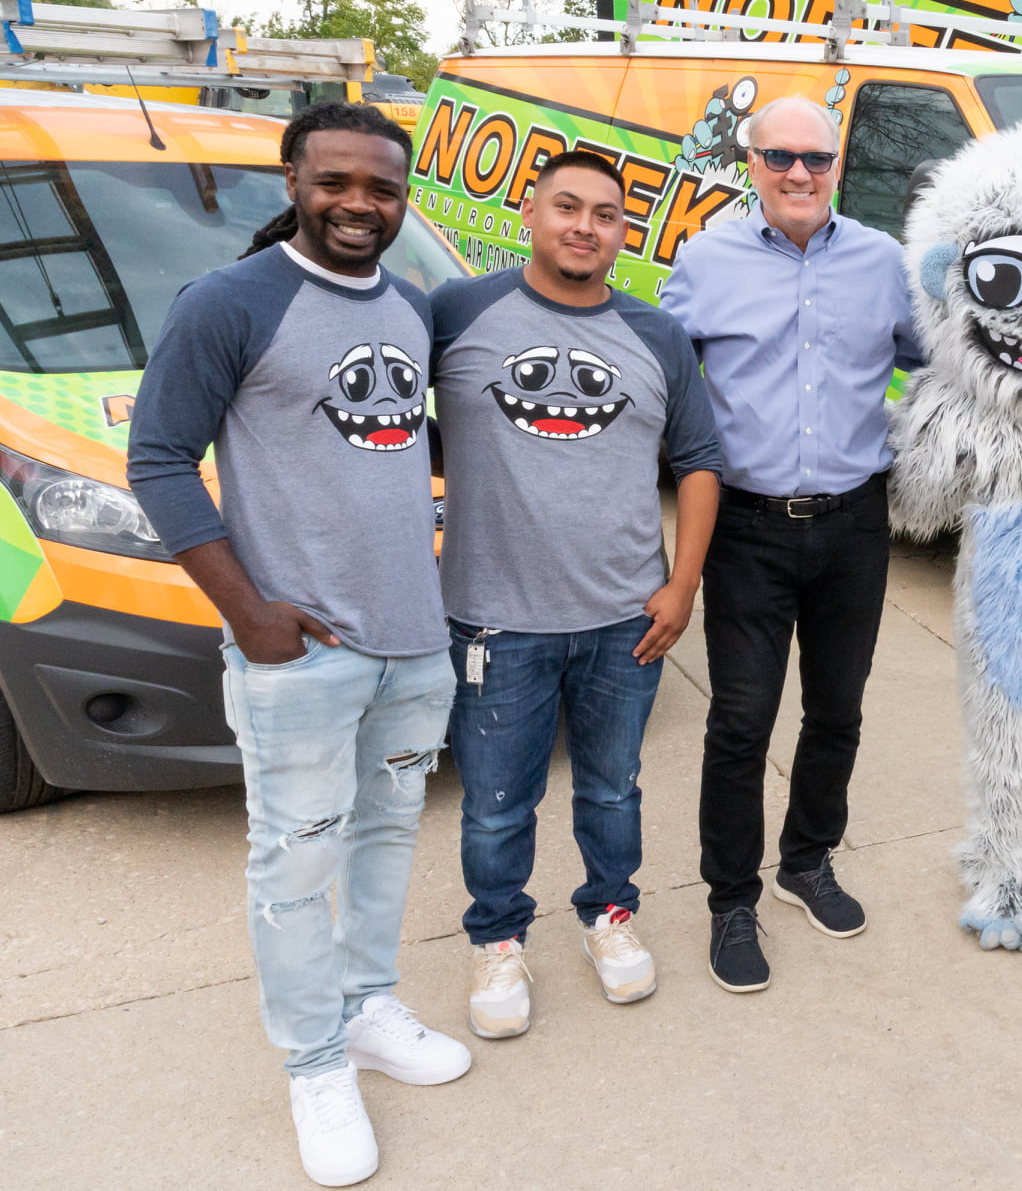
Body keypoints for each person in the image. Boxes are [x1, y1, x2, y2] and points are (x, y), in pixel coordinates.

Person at [128, 103, 469, 1188]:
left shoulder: (413, 310)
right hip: (301, 650)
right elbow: (159, 463)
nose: (361, 204)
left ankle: (367, 1005)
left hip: (413, 640)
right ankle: (314, 1061)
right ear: (290, 180)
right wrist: (250, 612)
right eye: (337, 183)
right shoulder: (231, 301)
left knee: (385, 835)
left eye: (381, 186)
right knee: (294, 855)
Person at [430, 151, 723, 1038]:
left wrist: (680, 587)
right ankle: (498, 939)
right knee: (493, 802)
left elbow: (702, 461)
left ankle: (609, 915)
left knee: (611, 790)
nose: (584, 226)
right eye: (566, 206)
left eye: (605, 213)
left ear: (624, 232)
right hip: (494, 617)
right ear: (530, 210)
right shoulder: (456, 312)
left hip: (623, 620)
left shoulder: (656, 335)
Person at [658, 96, 921, 992]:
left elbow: (948, 354)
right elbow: (657, 369)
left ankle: (806, 861)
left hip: (853, 523)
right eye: (780, 158)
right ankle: (731, 901)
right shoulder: (707, 258)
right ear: (751, 162)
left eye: (815, 158)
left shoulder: (884, 262)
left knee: (837, 712)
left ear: (837, 164)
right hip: (745, 529)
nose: (799, 174)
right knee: (739, 722)